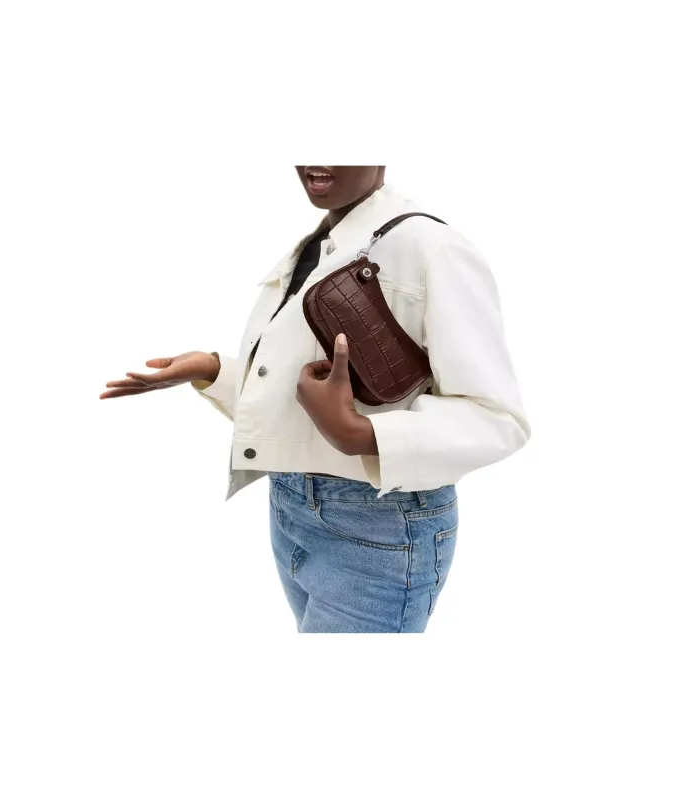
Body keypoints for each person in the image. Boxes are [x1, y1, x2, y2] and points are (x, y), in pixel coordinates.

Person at [100, 166, 531, 633]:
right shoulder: (317, 244)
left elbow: (498, 418)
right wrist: (213, 371)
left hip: (381, 527)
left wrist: (361, 433)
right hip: (290, 509)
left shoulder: (435, 249)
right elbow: (307, 395)